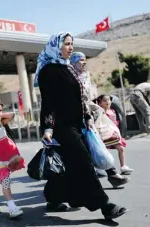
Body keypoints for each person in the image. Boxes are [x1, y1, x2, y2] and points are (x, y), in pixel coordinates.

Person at [34, 32, 127, 219]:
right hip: (61, 128)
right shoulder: (48, 71)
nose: (71, 47)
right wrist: (48, 128)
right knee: (84, 163)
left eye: (72, 44)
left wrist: (87, 117)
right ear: (56, 46)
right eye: (67, 44)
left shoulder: (66, 67)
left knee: (70, 165)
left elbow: (78, 98)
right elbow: (49, 102)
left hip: (77, 125)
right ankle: (104, 205)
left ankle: (53, 197)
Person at [70, 52, 130, 185]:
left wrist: (94, 113)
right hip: (73, 120)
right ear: (73, 62)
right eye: (81, 60)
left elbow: (85, 100)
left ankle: (112, 175)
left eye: (85, 59)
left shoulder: (84, 76)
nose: (84, 62)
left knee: (96, 146)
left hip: (87, 120)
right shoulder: (68, 78)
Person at [96, 94, 134, 175]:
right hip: (104, 135)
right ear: (100, 103)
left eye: (109, 100)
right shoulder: (100, 112)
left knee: (121, 149)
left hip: (114, 135)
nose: (107, 102)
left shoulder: (112, 111)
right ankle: (99, 168)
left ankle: (123, 166)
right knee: (103, 153)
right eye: (104, 100)